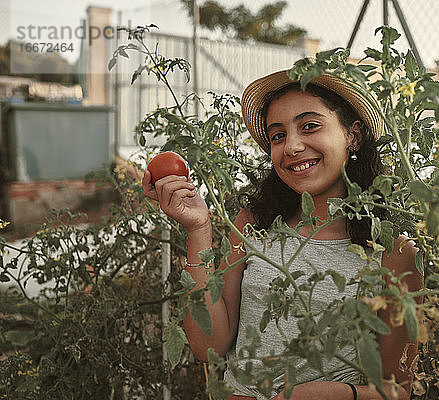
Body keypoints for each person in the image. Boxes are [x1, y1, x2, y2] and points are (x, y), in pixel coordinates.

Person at [142, 69, 423, 400]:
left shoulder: (393, 252)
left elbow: (398, 390)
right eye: (278, 136)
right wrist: (198, 229)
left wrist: (327, 394)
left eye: (309, 126)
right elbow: (208, 346)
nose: (291, 146)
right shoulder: (252, 223)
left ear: (353, 135)